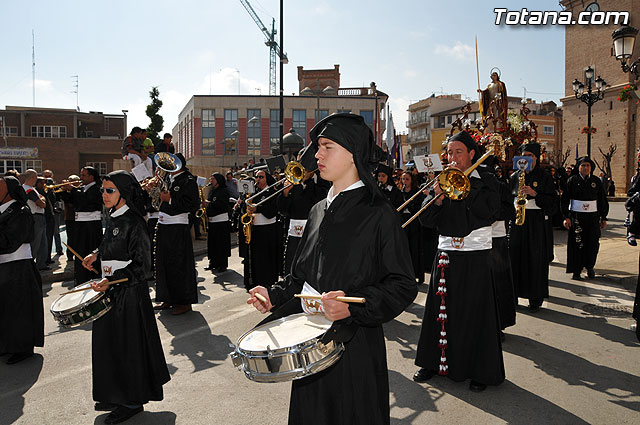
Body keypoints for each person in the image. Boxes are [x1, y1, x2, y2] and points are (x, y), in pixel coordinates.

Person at [247, 113, 417, 425]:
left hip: (354, 348)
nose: (318, 155)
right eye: (318, 147)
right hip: (309, 345)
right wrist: (272, 295)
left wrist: (353, 307)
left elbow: (403, 284)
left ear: (353, 154)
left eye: (327, 147)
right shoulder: (316, 210)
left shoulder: (379, 213)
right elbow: (301, 276)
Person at [413, 131, 504, 393]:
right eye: (449, 153)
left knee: (475, 313)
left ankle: (479, 370)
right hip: (446, 255)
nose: (452, 158)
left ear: (472, 154)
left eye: (458, 152)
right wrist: (437, 198)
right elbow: (426, 221)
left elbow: (489, 212)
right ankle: (432, 362)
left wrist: (465, 190)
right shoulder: (441, 181)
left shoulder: (487, 181)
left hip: (475, 255)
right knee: (438, 312)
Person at [82, 171, 170, 424]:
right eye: (103, 190)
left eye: (110, 190)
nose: (104, 195)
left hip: (128, 295)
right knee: (110, 347)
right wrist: (96, 255)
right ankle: (114, 395)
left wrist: (112, 277)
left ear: (123, 193)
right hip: (111, 289)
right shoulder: (113, 216)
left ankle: (131, 400)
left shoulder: (135, 221)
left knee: (127, 348)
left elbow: (143, 266)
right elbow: (112, 244)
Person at [0, 176, 44, 365]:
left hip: (18, 266)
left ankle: (22, 347)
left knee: (19, 310)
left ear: (8, 190)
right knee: (5, 309)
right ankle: (6, 345)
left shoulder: (21, 211)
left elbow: (10, 241)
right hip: (4, 266)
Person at [508, 143, 557, 311]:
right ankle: (512, 296)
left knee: (535, 260)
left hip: (536, 222)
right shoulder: (515, 176)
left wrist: (535, 194)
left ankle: (535, 299)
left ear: (536, 158)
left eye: (529, 155)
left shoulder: (545, 176)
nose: (526, 158)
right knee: (515, 258)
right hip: (517, 222)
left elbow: (553, 201)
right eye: (523, 155)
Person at [153, 153, 199, 315]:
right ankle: (167, 298)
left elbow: (193, 204)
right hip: (164, 225)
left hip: (177, 227)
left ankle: (183, 302)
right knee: (163, 263)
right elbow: (157, 199)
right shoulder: (168, 178)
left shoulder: (188, 180)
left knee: (178, 264)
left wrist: (170, 199)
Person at [277, 152, 328, 276]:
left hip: (314, 233)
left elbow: (318, 201)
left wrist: (307, 183)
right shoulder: (293, 185)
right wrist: (285, 194)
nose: (302, 169)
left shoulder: (321, 183)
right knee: (292, 265)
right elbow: (283, 211)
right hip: (294, 234)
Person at [562, 156, 609, 280]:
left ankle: (590, 267)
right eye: (583, 165)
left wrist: (604, 217)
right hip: (576, 216)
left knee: (592, 243)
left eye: (588, 165)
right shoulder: (572, 180)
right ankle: (576, 270)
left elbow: (602, 200)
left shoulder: (596, 181)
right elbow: (565, 199)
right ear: (579, 167)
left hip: (593, 217)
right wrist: (566, 217)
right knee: (576, 244)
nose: (585, 168)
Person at [60, 166, 103, 286]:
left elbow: (87, 201)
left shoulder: (96, 189)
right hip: (80, 225)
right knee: (79, 251)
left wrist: (73, 189)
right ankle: (81, 279)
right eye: (81, 175)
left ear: (91, 177)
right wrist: (64, 191)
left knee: (89, 250)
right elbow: (71, 201)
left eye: (84, 175)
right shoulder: (82, 188)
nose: (81, 178)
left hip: (91, 226)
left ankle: (93, 278)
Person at [243, 169, 279, 291]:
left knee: (266, 257)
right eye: (257, 177)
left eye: (261, 177)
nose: (258, 180)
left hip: (268, 229)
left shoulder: (271, 192)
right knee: (256, 257)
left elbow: (273, 211)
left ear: (267, 178)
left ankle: (267, 281)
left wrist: (258, 209)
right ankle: (255, 280)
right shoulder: (254, 192)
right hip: (255, 229)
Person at [399, 171, 425, 284]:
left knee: (414, 249)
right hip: (403, 221)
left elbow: (418, 209)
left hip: (414, 223)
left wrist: (408, 203)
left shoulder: (416, 192)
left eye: (407, 179)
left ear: (411, 180)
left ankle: (417, 274)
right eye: (403, 179)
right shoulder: (400, 192)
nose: (405, 182)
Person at [204, 173, 231, 273]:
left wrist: (210, 203)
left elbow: (222, 205)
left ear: (218, 180)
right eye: (210, 178)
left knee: (221, 244)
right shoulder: (212, 191)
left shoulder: (224, 191)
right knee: (213, 243)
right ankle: (213, 262)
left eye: (213, 179)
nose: (211, 180)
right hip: (212, 221)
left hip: (221, 221)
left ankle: (222, 264)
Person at [22, 169, 48, 270]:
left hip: (35, 216)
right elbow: (41, 203)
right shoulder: (29, 189)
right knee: (36, 242)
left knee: (42, 242)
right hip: (36, 216)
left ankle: (40, 263)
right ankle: (32, 264)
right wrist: (43, 200)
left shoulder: (27, 188)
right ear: (33, 177)